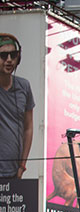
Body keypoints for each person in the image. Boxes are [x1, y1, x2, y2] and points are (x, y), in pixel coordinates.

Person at [0, 33, 34, 179]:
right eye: (3, 55)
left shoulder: (24, 86)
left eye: (13, 55)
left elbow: (28, 128)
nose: (9, 60)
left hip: (14, 173)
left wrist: (22, 165)